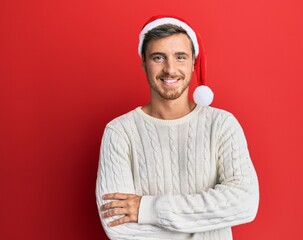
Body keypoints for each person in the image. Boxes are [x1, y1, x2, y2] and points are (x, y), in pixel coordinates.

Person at [96, 15, 259, 240]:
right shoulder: (119, 133)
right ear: (144, 62)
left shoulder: (222, 125)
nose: (170, 69)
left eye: (180, 57)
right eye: (158, 57)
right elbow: (118, 227)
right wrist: (206, 223)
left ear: (193, 62)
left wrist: (148, 209)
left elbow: (245, 203)